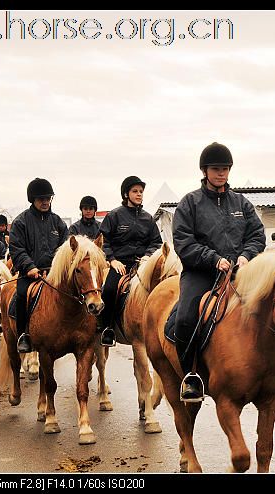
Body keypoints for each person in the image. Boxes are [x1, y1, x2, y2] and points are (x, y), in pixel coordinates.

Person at [172, 142, 266, 401]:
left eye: (225, 168)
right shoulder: (189, 203)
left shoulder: (241, 203)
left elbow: (257, 235)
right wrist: (213, 259)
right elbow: (183, 241)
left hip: (239, 272)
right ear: (205, 171)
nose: (221, 173)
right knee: (185, 319)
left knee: (274, 305)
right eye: (216, 169)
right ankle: (190, 376)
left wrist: (246, 256)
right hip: (201, 272)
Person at [98, 178, 162, 347]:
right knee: (109, 290)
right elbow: (104, 242)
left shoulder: (148, 218)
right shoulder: (114, 216)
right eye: (135, 191)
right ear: (126, 194)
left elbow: (156, 242)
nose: (139, 194)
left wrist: (148, 256)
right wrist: (112, 260)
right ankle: (107, 329)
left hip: (143, 264)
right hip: (120, 264)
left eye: (141, 191)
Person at [10, 178, 69, 353]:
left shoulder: (58, 222)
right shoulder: (21, 222)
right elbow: (16, 248)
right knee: (21, 296)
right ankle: (23, 335)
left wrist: (57, 269)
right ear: (32, 199)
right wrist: (29, 267)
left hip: (54, 274)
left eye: (48, 198)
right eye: (41, 198)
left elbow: (65, 248)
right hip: (30, 274)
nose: (45, 202)